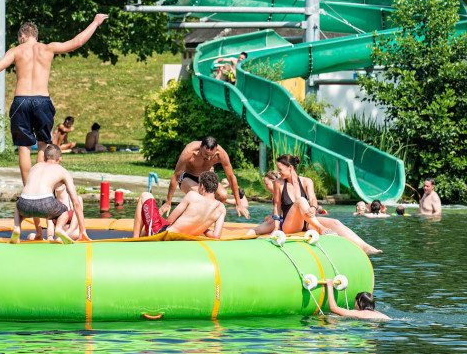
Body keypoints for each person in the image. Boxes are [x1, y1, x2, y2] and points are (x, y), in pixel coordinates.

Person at [0, 15, 108, 184]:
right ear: (35, 36)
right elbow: (77, 42)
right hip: (42, 101)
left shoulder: (16, 50)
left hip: (21, 101)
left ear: (22, 36)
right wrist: (95, 22)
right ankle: (39, 187)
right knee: (43, 144)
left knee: (24, 147)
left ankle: (27, 190)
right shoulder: (48, 48)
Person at [247, 154, 381, 255]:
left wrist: (313, 207)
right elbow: (276, 206)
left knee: (335, 222)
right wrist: (276, 227)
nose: (278, 172)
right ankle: (321, 228)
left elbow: (313, 199)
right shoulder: (278, 184)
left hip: (308, 221)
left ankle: (365, 247)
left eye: (280, 169)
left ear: (291, 168)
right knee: (300, 201)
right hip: (290, 225)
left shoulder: (306, 181)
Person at [11, 144, 89, 244]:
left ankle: (17, 227)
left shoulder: (35, 167)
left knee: (18, 206)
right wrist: (83, 231)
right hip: (46, 203)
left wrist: (39, 233)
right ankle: (59, 228)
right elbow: (76, 203)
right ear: (60, 159)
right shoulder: (62, 171)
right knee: (64, 211)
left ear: (44, 157)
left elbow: (33, 197)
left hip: (25, 202)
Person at [161, 136, 248, 219]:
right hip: (188, 177)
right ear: (201, 147)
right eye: (206, 154)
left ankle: (207, 219)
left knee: (223, 195)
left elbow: (231, 177)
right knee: (200, 196)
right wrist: (168, 202)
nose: (209, 158)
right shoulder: (189, 152)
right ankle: (183, 218)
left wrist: (238, 203)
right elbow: (176, 175)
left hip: (206, 177)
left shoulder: (221, 153)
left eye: (211, 155)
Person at [133, 171, 226, 238]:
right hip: (182, 238)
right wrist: (201, 227)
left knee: (145, 195)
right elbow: (215, 236)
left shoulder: (192, 196)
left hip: (163, 236)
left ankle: (135, 239)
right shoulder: (221, 208)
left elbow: (170, 219)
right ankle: (143, 236)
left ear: (202, 186)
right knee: (156, 216)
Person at [324, 279, 389, 320]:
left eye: (355, 302)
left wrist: (329, 286)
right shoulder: (379, 314)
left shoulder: (358, 313)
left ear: (359, 302)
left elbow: (333, 308)